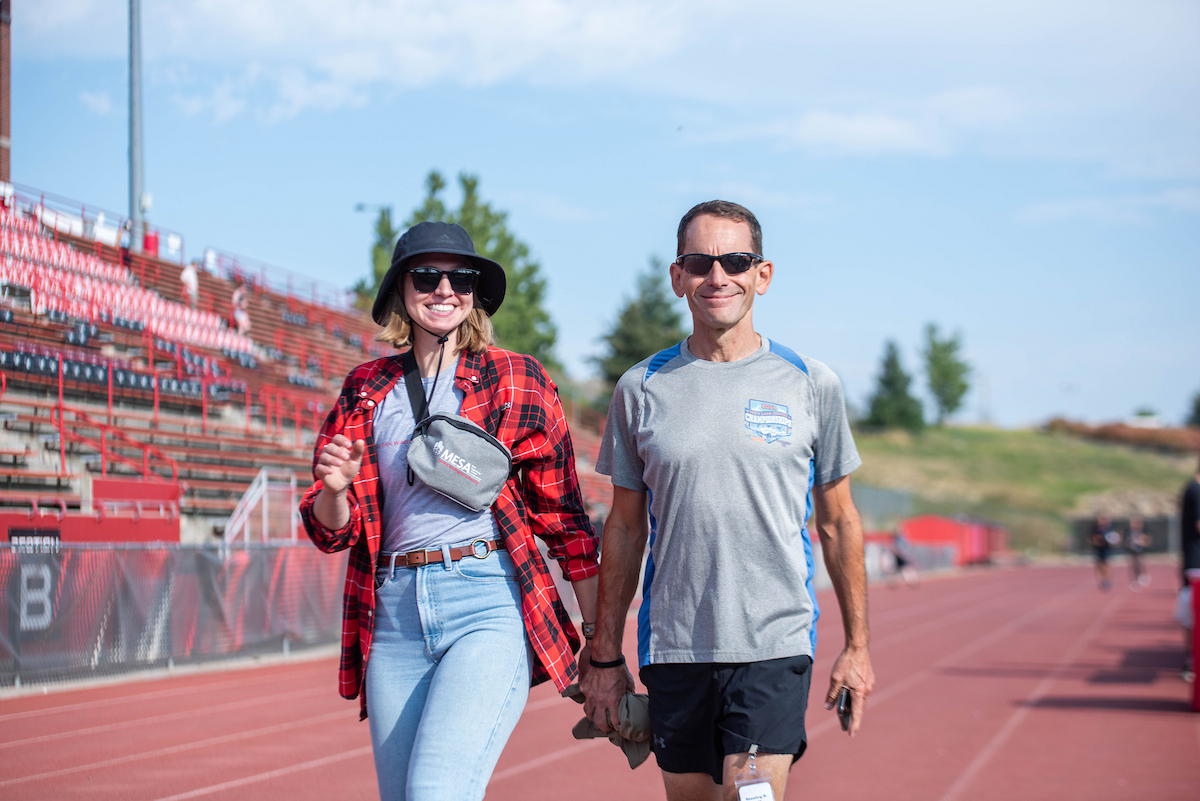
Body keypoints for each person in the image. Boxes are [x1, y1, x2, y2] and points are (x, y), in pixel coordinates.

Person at [581, 200, 874, 801]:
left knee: (751, 798)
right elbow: (626, 529)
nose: (718, 276)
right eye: (700, 262)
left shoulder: (810, 382)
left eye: (736, 260)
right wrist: (606, 656)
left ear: (761, 275)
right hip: (676, 646)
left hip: (774, 643)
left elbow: (840, 524)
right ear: (678, 276)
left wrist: (858, 647)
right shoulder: (640, 388)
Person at [298, 221, 600, 800]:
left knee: (435, 793)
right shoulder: (365, 388)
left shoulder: (518, 378)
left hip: (485, 601)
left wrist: (601, 646)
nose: (444, 289)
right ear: (400, 291)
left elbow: (565, 523)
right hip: (391, 618)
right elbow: (331, 531)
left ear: (476, 293)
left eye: (460, 277)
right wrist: (335, 489)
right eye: (426, 276)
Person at [1179, 459, 1200, 681]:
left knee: (1191, 615)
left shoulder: (1190, 488)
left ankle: (1190, 660)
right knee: (1193, 614)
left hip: (1192, 561)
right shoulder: (1197, 490)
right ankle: (1191, 661)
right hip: (1197, 564)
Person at [1090, 514, 1117, 591]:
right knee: (1100, 565)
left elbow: (1115, 539)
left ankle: (1107, 579)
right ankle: (1102, 580)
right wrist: (1097, 541)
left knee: (1107, 564)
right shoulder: (1095, 529)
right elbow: (1092, 539)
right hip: (1098, 549)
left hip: (1107, 549)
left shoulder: (1110, 528)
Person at [1125, 516, 1150, 589]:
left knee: (1140, 564)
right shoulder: (1129, 533)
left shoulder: (1142, 532)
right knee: (1133, 566)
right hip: (1132, 552)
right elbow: (1126, 542)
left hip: (1140, 551)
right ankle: (1134, 579)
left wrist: (1141, 543)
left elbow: (1147, 542)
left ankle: (1142, 575)